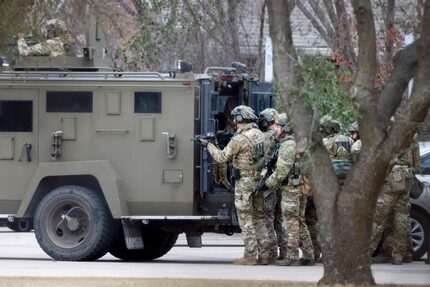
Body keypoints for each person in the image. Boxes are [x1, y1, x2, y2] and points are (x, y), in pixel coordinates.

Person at [201, 105, 270, 265]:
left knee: (245, 219)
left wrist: (208, 145)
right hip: (258, 181)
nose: (233, 121)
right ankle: (265, 255)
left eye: (235, 118)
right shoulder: (259, 134)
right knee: (258, 218)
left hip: (244, 182)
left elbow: (221, 157)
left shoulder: (240, 139)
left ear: (240, 119)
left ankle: (250, 256)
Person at [255, 115, 315, 266]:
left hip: (291, 189)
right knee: (300, 221)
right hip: (300, 187)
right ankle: (309, 255)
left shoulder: (288, 145)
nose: (276, 129)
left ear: (285, 128)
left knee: (290, 223)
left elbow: (281, 172)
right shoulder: (299, 142)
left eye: (279, 127)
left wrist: (265, 184)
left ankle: (292, 257)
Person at [370, 145, 416, 265]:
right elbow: (417, 164)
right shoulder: (410, 137)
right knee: (401, 218)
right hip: (407, 177)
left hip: (391, 179)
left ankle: (365, 253)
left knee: (378, 219)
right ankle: (399, 255)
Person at [257, 108, 286, 261]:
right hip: (282, 182)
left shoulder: (265, 137)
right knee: (281, 219)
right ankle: (285, 252)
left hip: (268, 182)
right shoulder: (285, 137)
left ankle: (272, 252)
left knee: (268, 218)